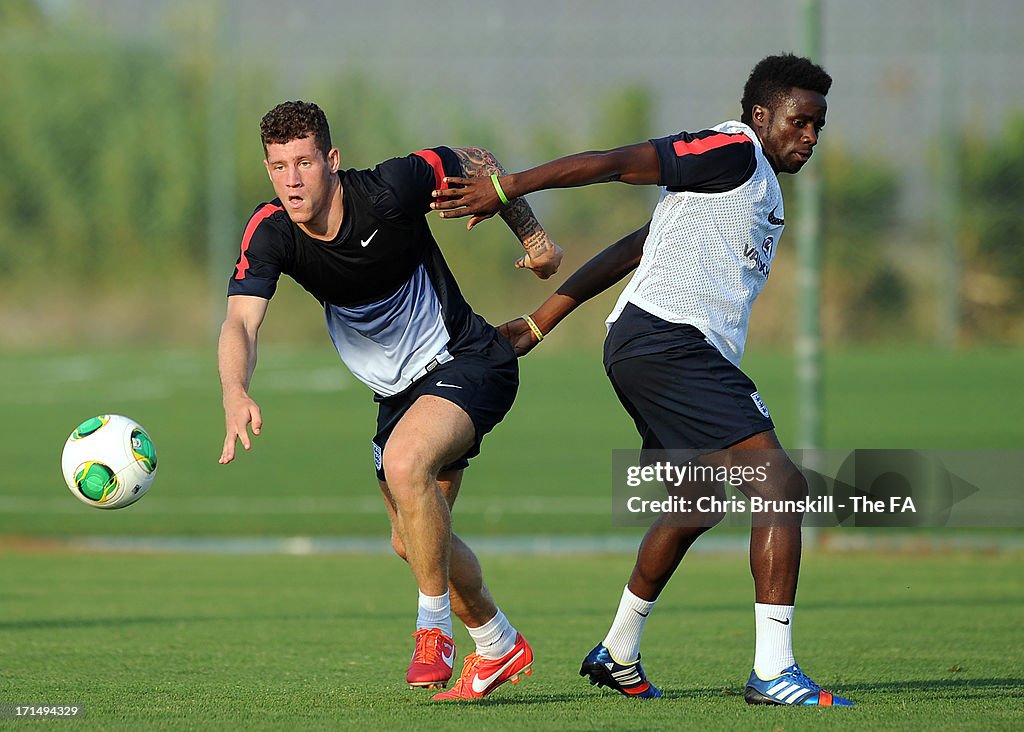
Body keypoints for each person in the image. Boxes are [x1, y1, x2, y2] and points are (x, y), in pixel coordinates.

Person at [431, 54, 853, 707]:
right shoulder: (732, 150)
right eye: (801, 122)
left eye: (819, 126)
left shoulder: (751, 185)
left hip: (653, 344)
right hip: (666, 341)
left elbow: (637, 248)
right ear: (762, 115)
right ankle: (773, 672)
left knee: (698, 501)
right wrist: (508, 188)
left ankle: (617, 650)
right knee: (780, 486)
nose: (811, 137)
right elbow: (616, 161)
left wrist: (543, 322)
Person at [217, 101, 562, 701]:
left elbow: (482, 161)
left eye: (304, 163)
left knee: (406, 465)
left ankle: (434, 631)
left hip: (467, 361)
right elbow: (241, 323)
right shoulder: (270, 230)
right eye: (278, 167)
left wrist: (535, 238)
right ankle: (498, 641)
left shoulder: (390, 188)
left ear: (332, 159)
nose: (292, 180)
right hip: (397, 394)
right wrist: (235, 390)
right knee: (413, 539)